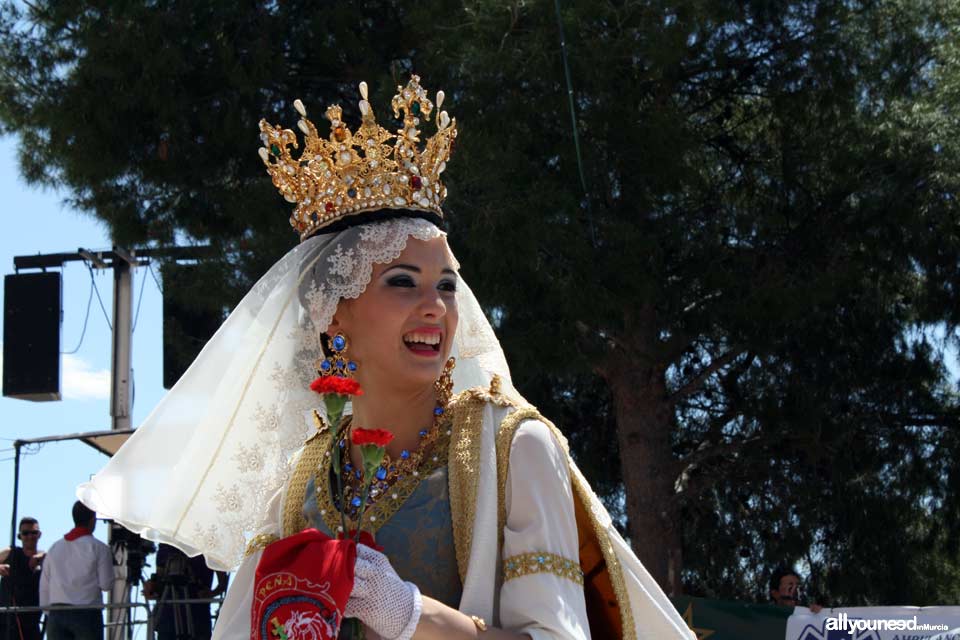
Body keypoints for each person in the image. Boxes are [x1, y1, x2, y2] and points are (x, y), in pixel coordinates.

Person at [78, 75, 696, 639]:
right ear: (334, 315)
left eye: (448, 285)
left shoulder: (513, 450)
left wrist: (411, 614)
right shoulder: (302, 482)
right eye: (403, 282)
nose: (436, 306)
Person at [40, 502, 114, 640]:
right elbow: (106, 584)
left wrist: (48, 613)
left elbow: (44, 586)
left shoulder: (54, 548)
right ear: (93, 519)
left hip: (57, 613)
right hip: (87, 613)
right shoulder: (100, 548)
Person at [143, 544, 228, 640]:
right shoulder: (166, 546)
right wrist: (151, 588)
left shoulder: (208, 544)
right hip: (169, 616)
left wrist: (211, 593)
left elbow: (223, 584)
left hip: (197, 615)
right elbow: (159, 582)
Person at [0, 517, 44, 640]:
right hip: (6, 622)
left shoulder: (45, 559)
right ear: (19, 536)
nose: (30, 536)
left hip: (31, 622)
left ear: (39, 535)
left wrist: (44, 556)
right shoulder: (11, 552)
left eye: (34, 533)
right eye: (25, 533)